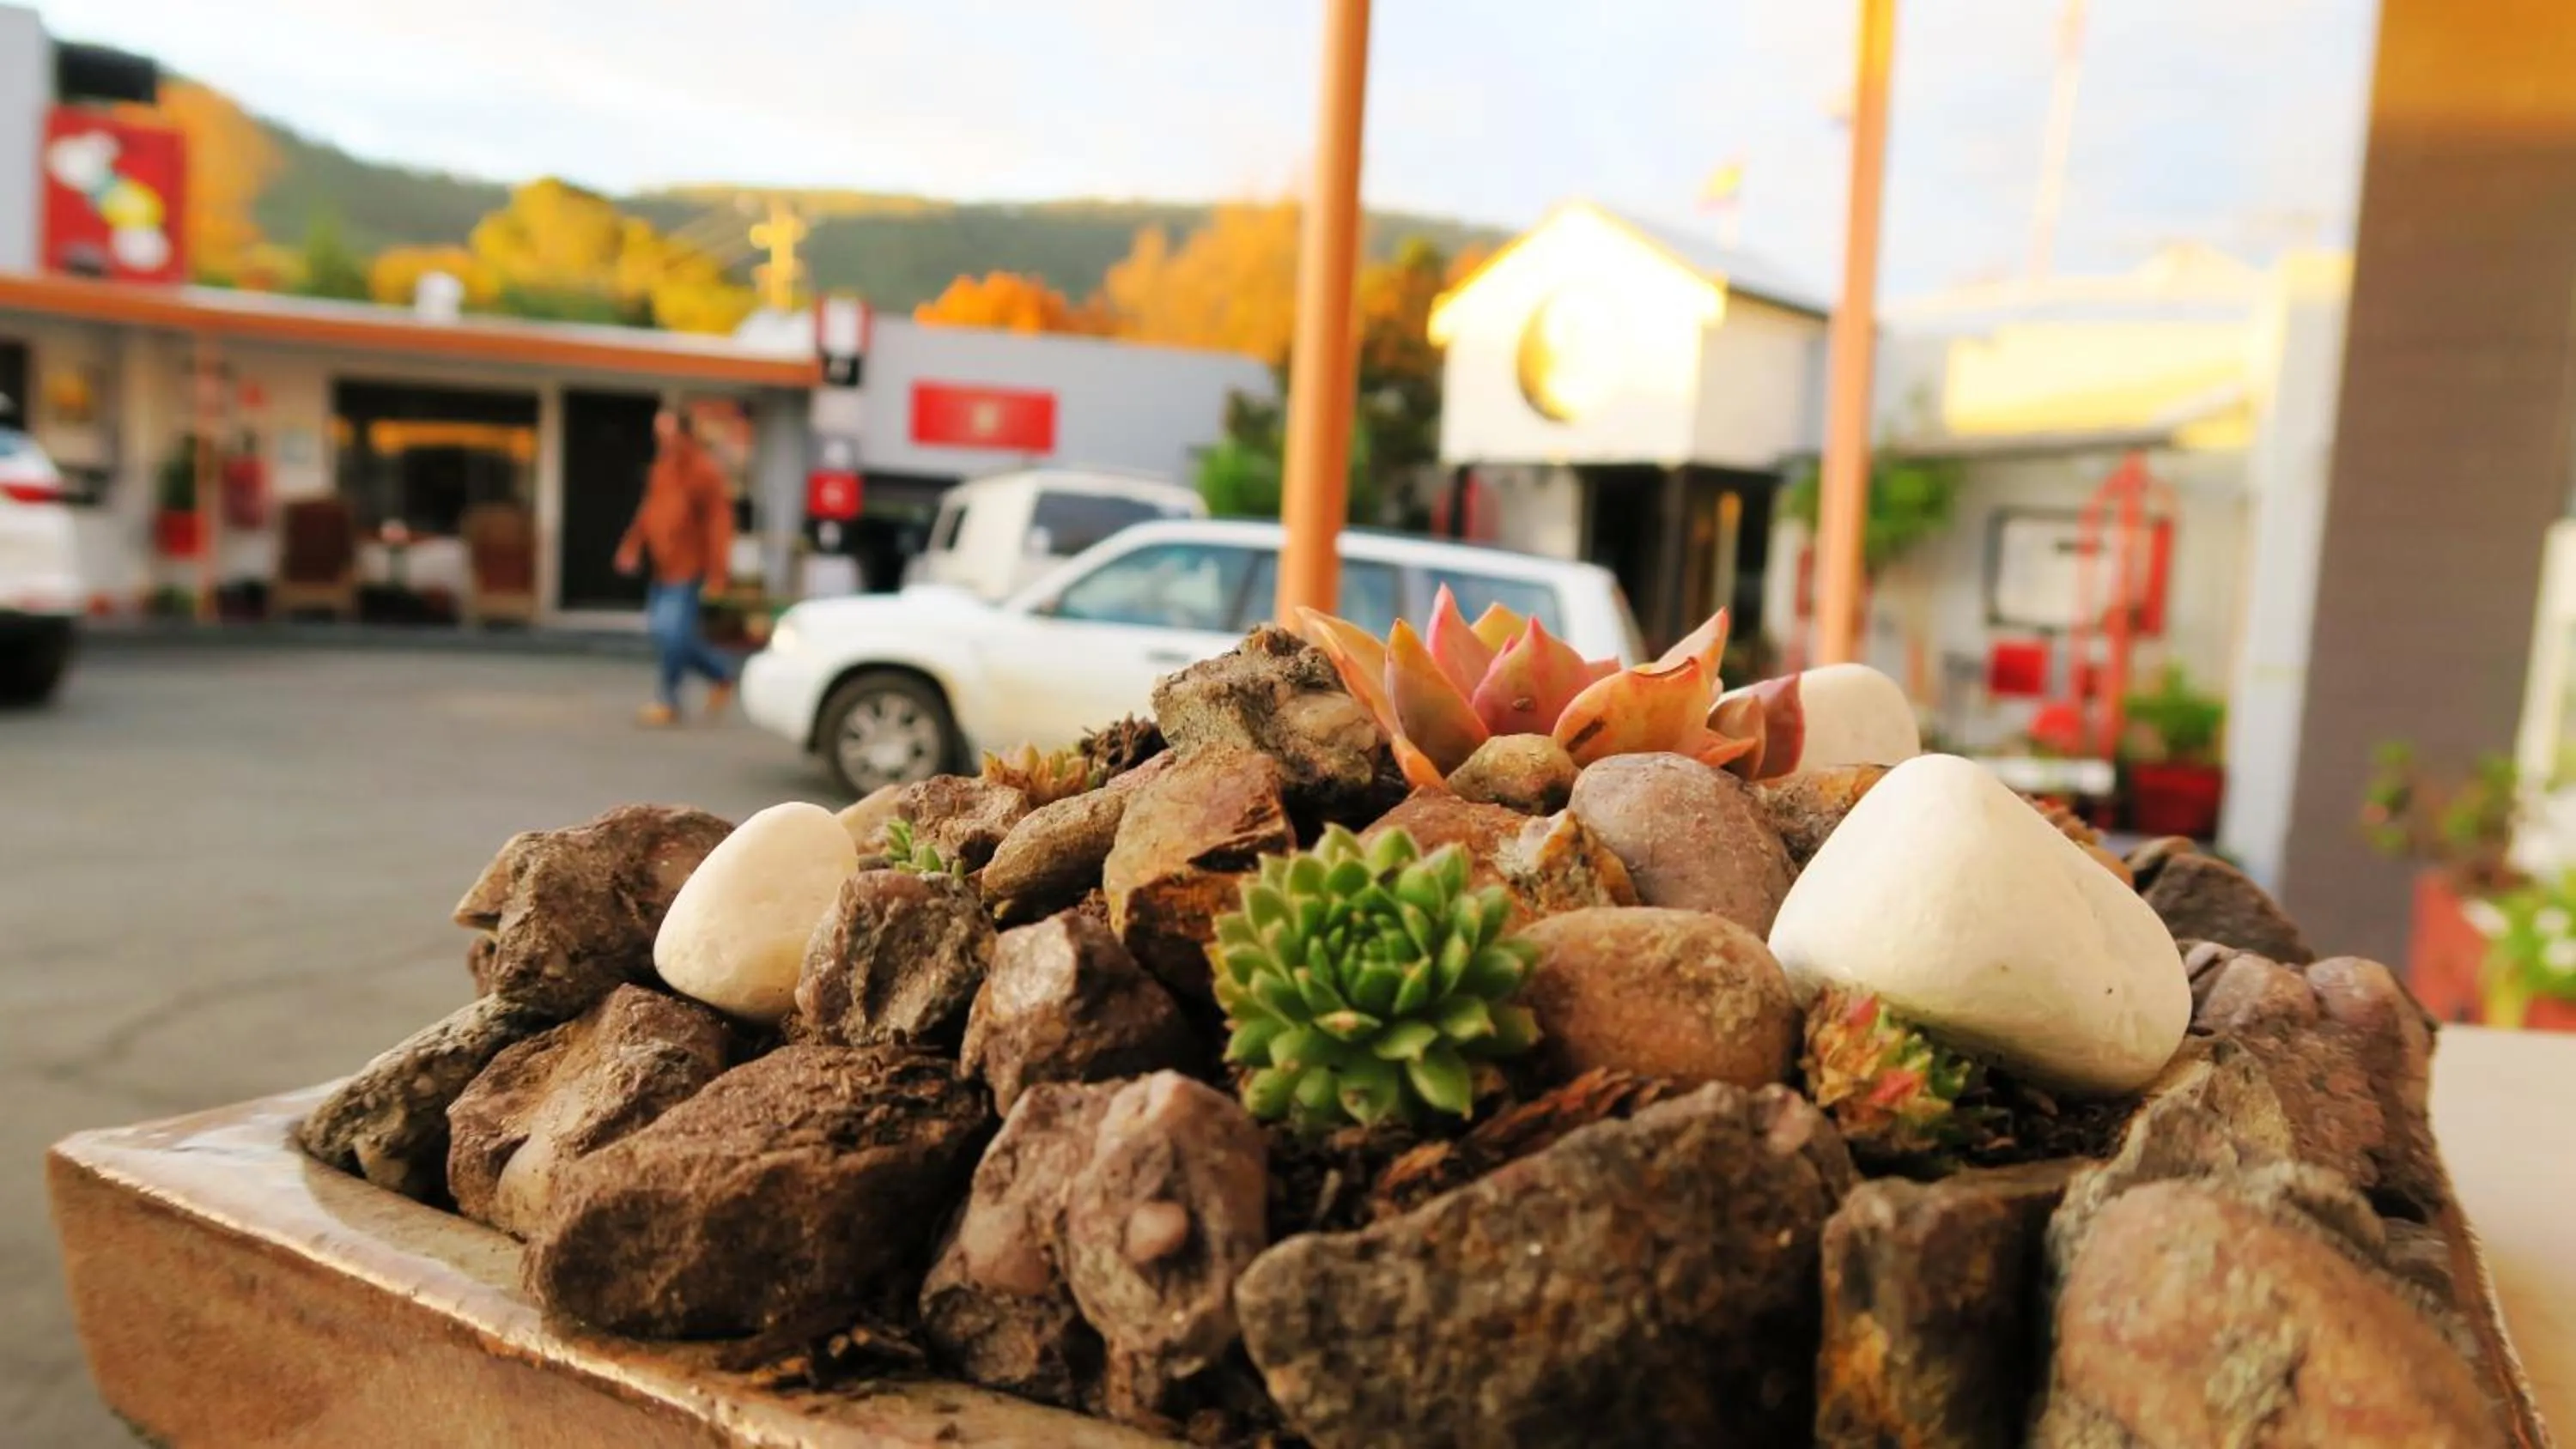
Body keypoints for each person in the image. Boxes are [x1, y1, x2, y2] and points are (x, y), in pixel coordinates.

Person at [615, 408, 737, 726]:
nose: (664, 441)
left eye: (668, 434)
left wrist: (719, 572)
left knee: (672, 634)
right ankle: (721, 674)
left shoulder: (704, 472)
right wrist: (632, 545)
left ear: (685, 434)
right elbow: (649, 510)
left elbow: (718, 524)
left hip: (688, 569)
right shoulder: (662, 468)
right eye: (659, 435)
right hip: (662, 568)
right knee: (669, 634)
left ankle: (668, 700)